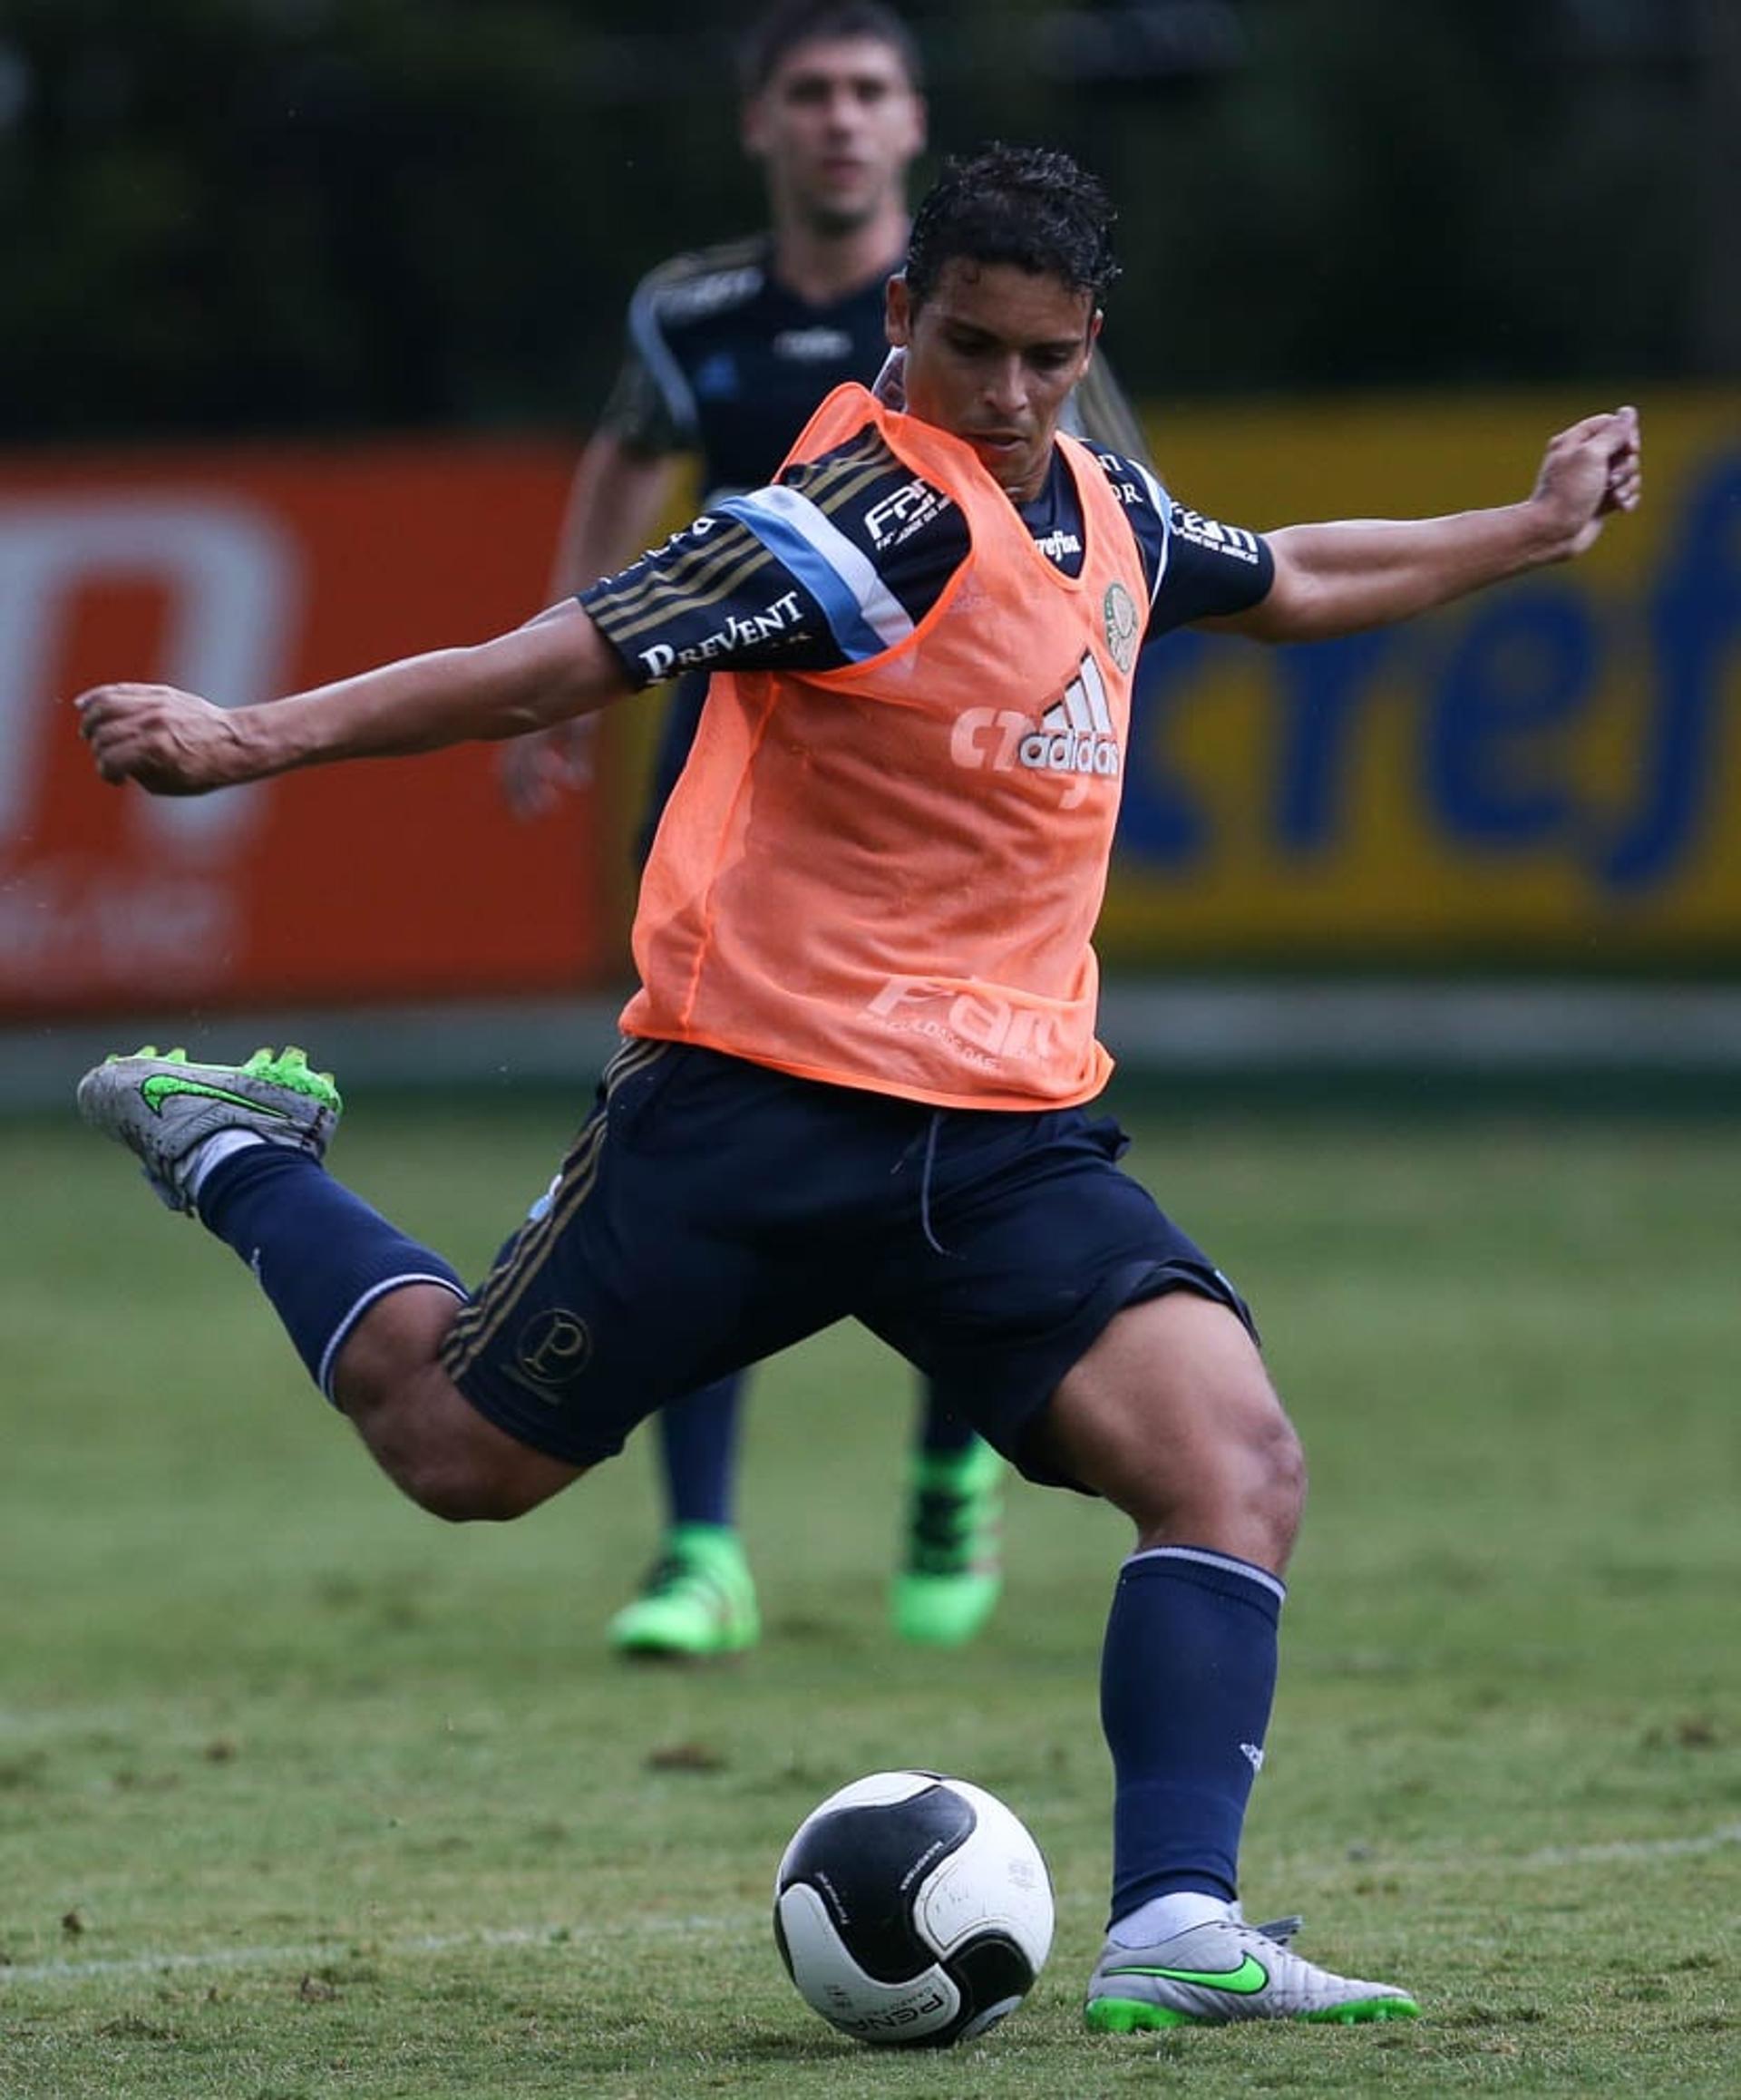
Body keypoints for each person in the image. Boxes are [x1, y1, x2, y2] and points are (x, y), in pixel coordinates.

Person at [73, 142, 1640, 2033]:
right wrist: (253, 732)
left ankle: (1175, 1927)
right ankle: (243, 1148)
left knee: (1234, 1465)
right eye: (966, 346)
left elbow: (1295, 573)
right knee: (454, 1454)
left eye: (1042, 358)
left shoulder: (1106, 511)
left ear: (1088, 345)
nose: (1001, 392)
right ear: (902, 319)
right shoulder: (853, 518)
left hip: (1001, 1143)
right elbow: (544, 667)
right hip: (752, 1112)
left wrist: (1529, 531)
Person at [511, 0, 1149, 1662]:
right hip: (745, 762)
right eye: (810, 90)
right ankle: (702, 1548)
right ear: (761, 123)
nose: (840, 119)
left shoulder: (1008, 334)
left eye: (870, 89)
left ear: (911, 120)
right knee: (706, 1144)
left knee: (965, 1135)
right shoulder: (697, 312)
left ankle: (951, 1473)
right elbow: (620, 478)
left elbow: (1115, 533)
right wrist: (567, 681)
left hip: (960, 793)